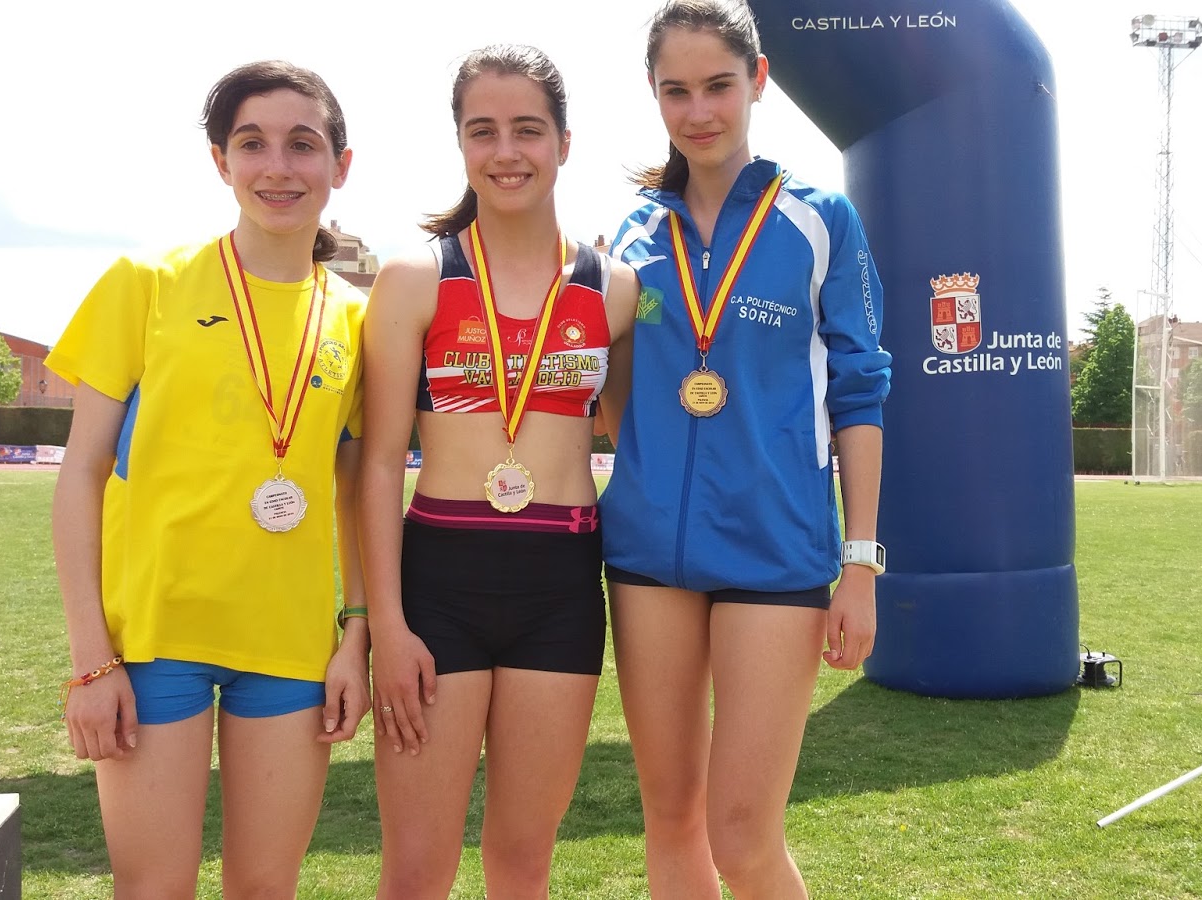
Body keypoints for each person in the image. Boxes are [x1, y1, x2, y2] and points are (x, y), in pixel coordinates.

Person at [47, 60, 370, 898]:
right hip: (155, 642)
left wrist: (357, 633)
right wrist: (90, 661)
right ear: (221, 162)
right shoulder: (145, 285)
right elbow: (80, 475)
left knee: (265, 889)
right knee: (154, 889)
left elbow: (359, 494)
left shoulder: (357, 318)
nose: (278, 167)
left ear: (340, 164)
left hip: (291, 649)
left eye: (303, 144)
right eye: (252, 144)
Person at [599, 2, 892, 897]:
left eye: (718, 86)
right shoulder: (632, 235)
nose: (699, 112)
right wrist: (644, 466)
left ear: (758, 81)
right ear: (654, 95)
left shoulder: (820, 219)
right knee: (669, 818)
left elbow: (860, 394)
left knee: (742, 837)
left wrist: (860, 564)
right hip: (647, 556)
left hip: (775, 552)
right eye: (676, 91)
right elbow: (613, 382)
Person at [359, 44, 638, 899]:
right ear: (460, 143)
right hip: (438, 584)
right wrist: (386, 627)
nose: (506, 151)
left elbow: (630, 434)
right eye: (483, 131)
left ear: (564, 143)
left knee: (523, 864)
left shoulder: (615, 289)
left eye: (528, 129)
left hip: (560, 587)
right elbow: (378, 465)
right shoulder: (415, 278)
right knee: (417, 871)